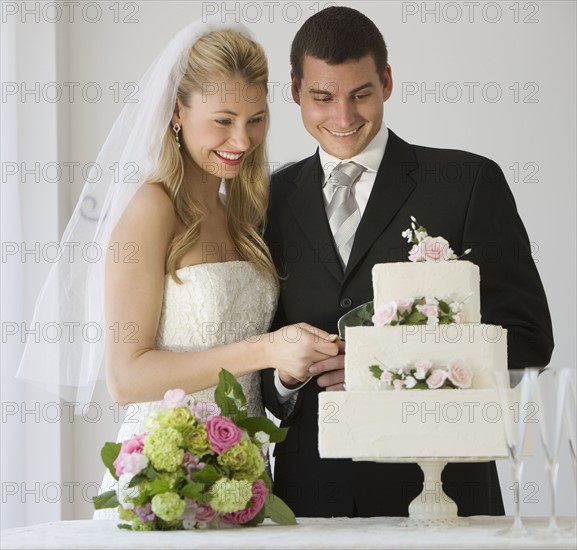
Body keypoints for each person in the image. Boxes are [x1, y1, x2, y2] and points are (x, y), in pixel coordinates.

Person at [15, 19, 338, 521]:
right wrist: (265, 349)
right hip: (163, 479)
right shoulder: (150, 208)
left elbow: (259, 372)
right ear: (176, 113)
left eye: (256, 119)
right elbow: (126, 377)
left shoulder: (244, 213)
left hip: (246, 481)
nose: (242, 139)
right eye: (223, 120)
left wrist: (288, 368)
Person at [261, 6, 554, 518]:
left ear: (388, 81)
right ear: (295, 91)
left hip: (445, 495)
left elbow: (528, 337)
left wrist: (386, 368)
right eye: (323, 98)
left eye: (361, 94)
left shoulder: (467, 184)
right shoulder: (267, 199)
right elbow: (258, 363)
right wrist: (285, 378)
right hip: (309, 498)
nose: (344, 118)